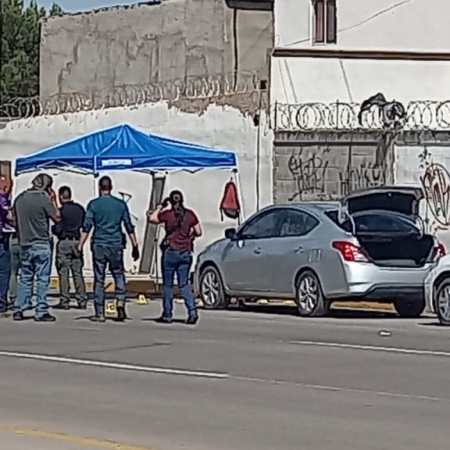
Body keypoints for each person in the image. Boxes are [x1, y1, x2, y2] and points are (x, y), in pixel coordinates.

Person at [79, 176, 139, 322]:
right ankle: (120, 302)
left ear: (100, 187)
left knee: (99, 278)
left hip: (99, 244)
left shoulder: (93, 204)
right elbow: (128, 225)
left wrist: (80, 245)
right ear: (111, 188)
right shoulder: (120, 205)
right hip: (116, 244)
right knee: (118, 274)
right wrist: (135, 245)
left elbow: (87, 227)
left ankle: (100, 312)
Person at [148, 190, 202, 325]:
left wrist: (160, 206)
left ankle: (167, 314)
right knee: (184, 284)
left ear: (171, 202)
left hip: (170, 252)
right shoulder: (190, 214)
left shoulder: (168, 215)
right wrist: (190, 235)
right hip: (185, 252)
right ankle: (192, 312)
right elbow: (199, 231)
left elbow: (152, 218)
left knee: (168, 285)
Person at [13, 174, 60, 322]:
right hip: (41, 242)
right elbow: (57, 217)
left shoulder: (20, 198)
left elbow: (14, 220)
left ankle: (19, 308)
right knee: (42, 279)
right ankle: (41, 310)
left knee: (25, 277)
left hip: (24, 243)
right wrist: (53, 200)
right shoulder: (43, 199)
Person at [52, 186, 87, 310]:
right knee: (77, 272)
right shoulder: (80, 209)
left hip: (64, 242)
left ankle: (65, 300)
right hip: (77, 241)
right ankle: (82, 299)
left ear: (61, 196)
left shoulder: (61, 211)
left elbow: (57, 226)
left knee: (64, 272)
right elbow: (85, 225)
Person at [0, 176, 12, 316]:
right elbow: (8, 216)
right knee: (3, 271)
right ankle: (1, 302)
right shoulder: (2, 199)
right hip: (1, 238)